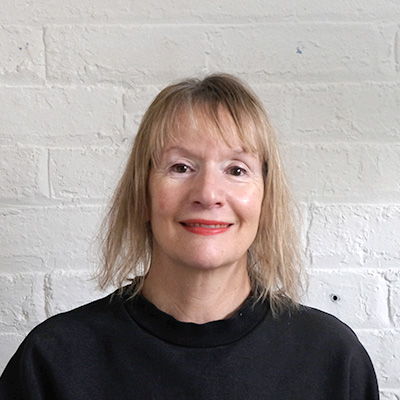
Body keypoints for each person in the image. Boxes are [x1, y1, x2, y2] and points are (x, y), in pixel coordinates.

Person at [0, 73, 379, 399]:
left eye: (236, 170)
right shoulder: (53, 361)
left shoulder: (332, 359)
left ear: (266, 200)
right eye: (181, 167)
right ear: (143, 195)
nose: (208, 194)